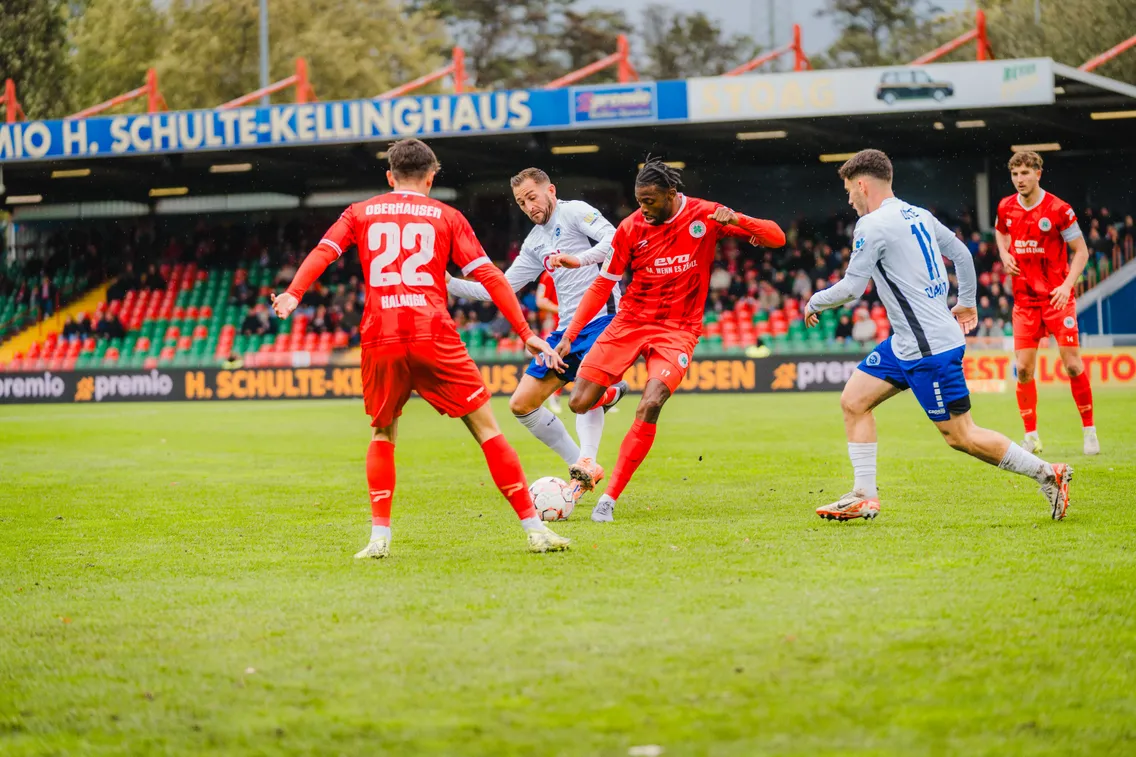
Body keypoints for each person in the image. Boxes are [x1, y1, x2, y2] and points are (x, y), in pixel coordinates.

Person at [272, 138, 570, 558]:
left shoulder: (360, 212)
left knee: (382, 432)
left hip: (381, 335)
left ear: (390, 176)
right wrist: (525, 332)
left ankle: (379, 538)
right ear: (432, 178)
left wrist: (293, 293)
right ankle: (534, 530)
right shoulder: (447, 216)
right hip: (434, 333)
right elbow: (490, 276)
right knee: (487, 429)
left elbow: (325, 250)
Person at [805, 149, 1073, 522]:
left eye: (850, 190)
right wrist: (966, 302)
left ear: (863, 184)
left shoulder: (871, 225)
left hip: (928, 348)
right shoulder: (919, 214)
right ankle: (864, 495)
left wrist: (815, 301)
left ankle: (1048, 473)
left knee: (961, 435)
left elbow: (853, 287)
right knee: (853, 401)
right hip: (906, 343)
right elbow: (962, 254)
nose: (849, 199)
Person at [556, 157, 786, 522]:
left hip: (678, 330)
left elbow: (777, 237)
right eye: (639, 200)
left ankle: (609, 498)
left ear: (672, 194)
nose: (642, 208)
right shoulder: (631, 228)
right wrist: (569, 336)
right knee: (578, 403)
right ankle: (612, 391)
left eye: (650, 201)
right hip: (630, 322)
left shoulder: (706, 215)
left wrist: (738, 220)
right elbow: (603, 284)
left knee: (651, 404)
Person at [447, 167, 629, 495]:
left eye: (532, 197)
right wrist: (448, 283)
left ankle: (588, 456)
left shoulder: (574, 212)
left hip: (604, 318)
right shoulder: (534, 243)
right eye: (521, 202)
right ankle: (583, 466)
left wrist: (579, 259)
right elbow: (498, 289)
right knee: (521, 405)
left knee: (582, 394)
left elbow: (615, 239)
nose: (529, 206)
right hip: (565, 331)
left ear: (551, 191)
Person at [994, 151, 1098, 456]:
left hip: (1056, 298)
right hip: (1024, 302)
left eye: (1025, 173)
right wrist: (1004, 254)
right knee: (1023, 370)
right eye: (1015, 174)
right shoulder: (1006, 206)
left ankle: (1089, 431)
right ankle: (1031, 436)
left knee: (1073, 365)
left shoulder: (1059, 209)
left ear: (1039, 173)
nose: (1019, 180)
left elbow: (1081, 252)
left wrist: (1068, 286)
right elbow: (1000, 232)